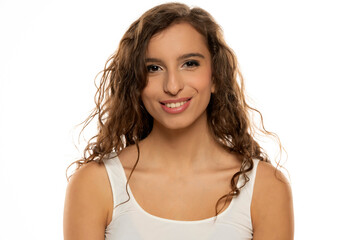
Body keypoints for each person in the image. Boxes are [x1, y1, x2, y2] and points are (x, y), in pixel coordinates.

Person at [63, 2, 294, 240]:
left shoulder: (265, 187)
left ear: (215, 76)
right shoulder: (95, 184)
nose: (172, 86)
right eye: (153, 68)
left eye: (189, 64)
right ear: (135, 84)